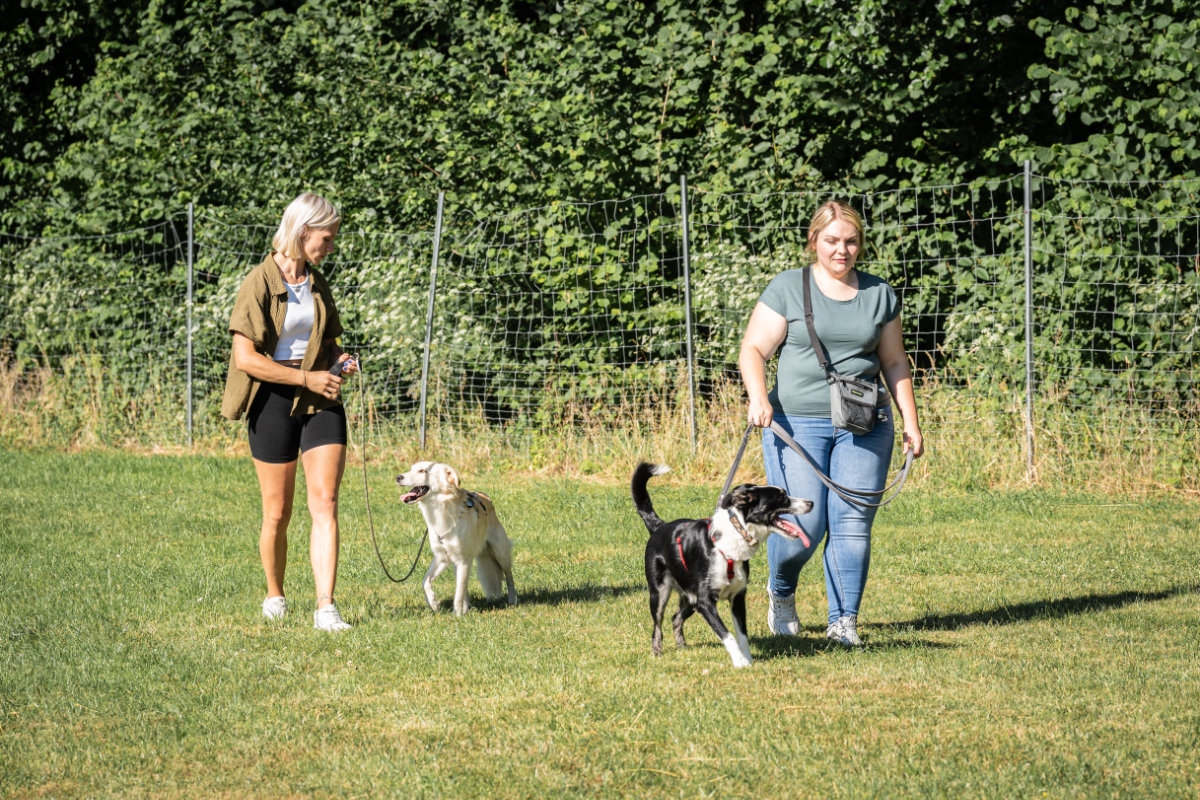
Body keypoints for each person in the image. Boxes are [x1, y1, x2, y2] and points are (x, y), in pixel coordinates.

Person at [738, 200, 924, 646]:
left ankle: (844, 621)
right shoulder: (787, 288)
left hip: (864, 422)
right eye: (832, 241)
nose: (842, 250)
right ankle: (781, 591)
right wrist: (759, 398)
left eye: (851, 241)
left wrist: (911, 423)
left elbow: (895, 361)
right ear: (814, 241)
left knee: (853, 522)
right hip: (795, 424)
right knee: (806, 524)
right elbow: (753, 350)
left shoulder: (880, 294)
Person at [221, 192, 359, 632]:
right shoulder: (259, 282)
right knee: (278, 512)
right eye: (327, 237)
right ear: (303, 232)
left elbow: (330, 340)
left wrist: (340, 361)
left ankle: (325, 607)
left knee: (326, 503)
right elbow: (245, 359)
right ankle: (275, 594)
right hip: (273, 401)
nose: (331, 246)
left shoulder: (317, 282)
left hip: (322, 398)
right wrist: (304, 379)